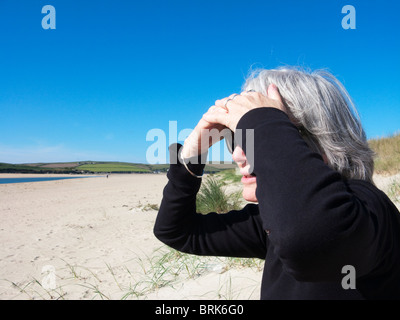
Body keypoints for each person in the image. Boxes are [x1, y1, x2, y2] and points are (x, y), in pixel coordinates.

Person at [153, 67, 400, 299]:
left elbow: (310, 237)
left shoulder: (371, 209)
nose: (238, 155)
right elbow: (176, 231)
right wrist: (191, 156)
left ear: (324, 138)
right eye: (237, 139)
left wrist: (263, 121)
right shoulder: (274, 220)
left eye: (261, 136)